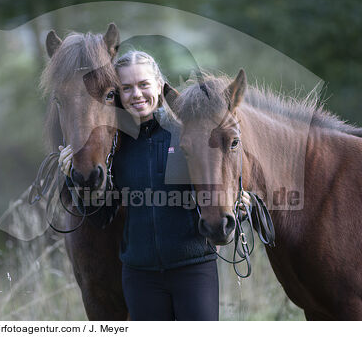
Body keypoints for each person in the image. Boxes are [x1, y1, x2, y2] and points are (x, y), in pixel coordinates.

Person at [59, 50, 249, 321]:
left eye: (143, 84)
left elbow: (218, 179)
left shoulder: (186, 132)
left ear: (160, 86)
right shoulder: (115, 144)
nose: (136, 94)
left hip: (193, 270)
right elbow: (101, 216)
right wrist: (76, 182)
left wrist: (239, 204)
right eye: (127, 88)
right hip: (140, 278)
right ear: (119, 94)